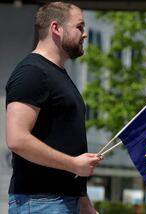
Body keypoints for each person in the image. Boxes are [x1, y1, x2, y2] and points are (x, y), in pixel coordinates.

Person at [5, 2, 102, 213]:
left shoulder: (58, 75)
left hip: (62, 202)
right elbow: (16, 139)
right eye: (79, 27)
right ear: (56, 28)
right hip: (41, 203)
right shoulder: (32, 72)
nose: (85, 34)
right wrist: (74, 164)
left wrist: (84, 203)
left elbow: (67, 143)